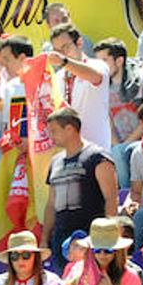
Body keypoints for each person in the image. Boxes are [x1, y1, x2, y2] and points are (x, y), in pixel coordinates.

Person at [44, 107, 119, 259]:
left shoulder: (98, 157)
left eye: (54, 131)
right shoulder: (55, 161)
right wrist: (44, 238)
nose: (50, 136)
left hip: (91, 238)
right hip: (60, 239)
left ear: (69, 129)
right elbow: (51, 204)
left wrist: (106, 238)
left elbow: (111, 198)